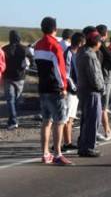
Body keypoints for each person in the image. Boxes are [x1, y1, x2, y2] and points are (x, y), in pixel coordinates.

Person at [34, 17, 73, 165]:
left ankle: (45, 153)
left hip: (42, 87)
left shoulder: (38, 45)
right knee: (59, 121)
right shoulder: (54, 46)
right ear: (55, 28)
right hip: (54, 89)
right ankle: (57, 153)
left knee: (46, 121)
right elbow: (59, 69)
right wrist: (63, 87)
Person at [76, 30, 105, 157]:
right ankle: (88, 147)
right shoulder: (90, 55)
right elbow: (94, 77)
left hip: (84, 90)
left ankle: (83, 144)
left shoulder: (81, 52)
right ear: (96, 42)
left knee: (86, 119)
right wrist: (101, 87)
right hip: (91, 91)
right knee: (93, 120)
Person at [2, 30, 32, 130]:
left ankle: (13, 120)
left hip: (7, 77)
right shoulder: (25, 49)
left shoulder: (4, 49)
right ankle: (14, 119)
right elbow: (31, 61)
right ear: (19, 37)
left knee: (10, 99)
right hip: (20, 78)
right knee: (17, 99)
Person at [96, 24, 111, 141]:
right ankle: (106, 131)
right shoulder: (102, 46)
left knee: (100, 106)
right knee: (103, 107)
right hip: (105, 79)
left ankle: (107, 130)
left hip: (100, 78)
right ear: (105, 34)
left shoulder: (94, 46)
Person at [61, 32, 84, 152]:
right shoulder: (68, 54)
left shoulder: (77, 54)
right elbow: (66, 74)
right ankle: (64, 143)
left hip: (75, 90)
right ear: (80, 43)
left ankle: (68, 142)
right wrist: (74, 87)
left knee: (70, 118)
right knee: (65, 118)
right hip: (70, 91)